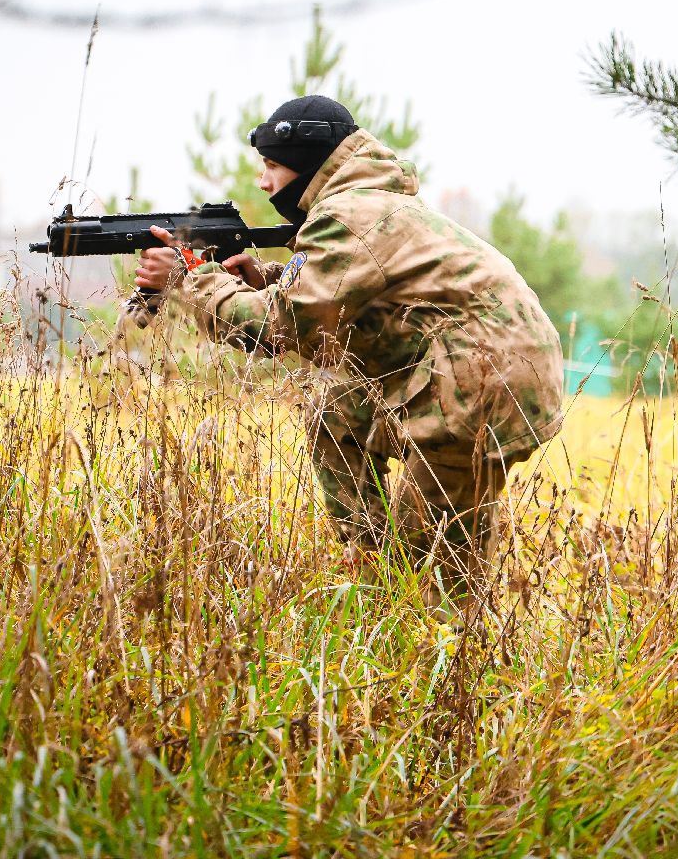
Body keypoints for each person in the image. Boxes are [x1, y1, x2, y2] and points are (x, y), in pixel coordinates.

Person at [135, 95, 565, 602]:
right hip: (476, 372)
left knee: (427, 570)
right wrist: (265, 279)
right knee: (334, 412)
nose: (262, 180)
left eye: (271, 165)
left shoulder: (350, 213)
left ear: (307, 163)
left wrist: (190, 281)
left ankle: (412, 625)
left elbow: (286, 325)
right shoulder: (363, 204)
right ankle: (373, 560)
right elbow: (344, 302)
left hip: (479, 387)